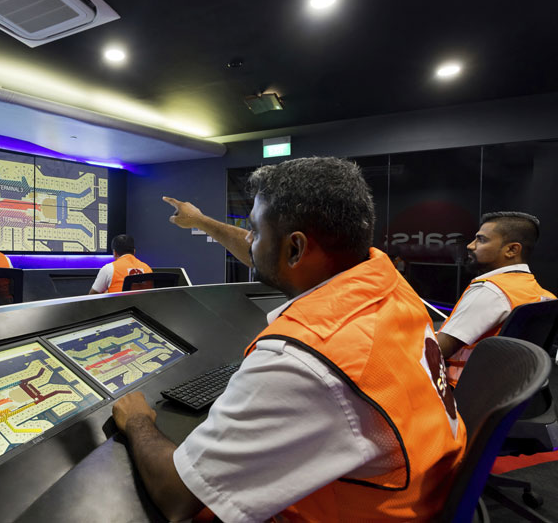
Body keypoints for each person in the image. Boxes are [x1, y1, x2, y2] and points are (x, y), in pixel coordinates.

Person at [112, 157, 466, 522]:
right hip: (418, 493)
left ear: (295, 249)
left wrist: (138, 420)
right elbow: (265, 253)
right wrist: (201, 222)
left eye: (256, 230)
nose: (250, 241)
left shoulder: (302, 356)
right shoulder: (388, 285)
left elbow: (178, 497)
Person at [438, 211, 555, 386]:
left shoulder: (491, 290)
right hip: (511, 391)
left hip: (461, 391)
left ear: (511, 250)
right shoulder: (545, 296)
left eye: (481, 240)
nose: (470, 246)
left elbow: (438, 349)